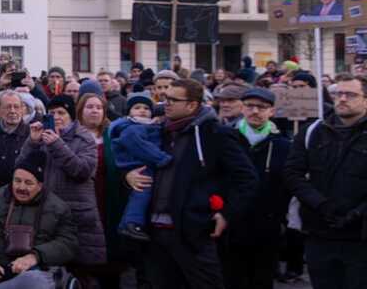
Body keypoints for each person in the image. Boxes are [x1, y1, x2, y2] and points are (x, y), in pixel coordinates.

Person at [126, 78, 258, 289]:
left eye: (173, 100)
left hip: (193, 234)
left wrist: (227, 213)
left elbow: (247, 179)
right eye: (164, 98)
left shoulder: (216, 134)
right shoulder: (158, 132)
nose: (165, 103)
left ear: (192, 105)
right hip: (155, 234)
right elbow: (137, 162)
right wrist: (129, 174)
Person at [284, 74, 367, 288]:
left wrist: (358, 212)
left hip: (360, 237)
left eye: (350, 94)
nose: (342, 99)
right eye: (339, 93)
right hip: (320, 232)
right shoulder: (312, 132)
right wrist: (320, 204)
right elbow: (293, 173)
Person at [17, 94, 107, 279]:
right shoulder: (41, 138)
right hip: (46, 213)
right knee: (52, 271)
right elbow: (20, 169)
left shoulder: (84, 139)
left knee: (81, 272)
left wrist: (57, 144)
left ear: (71, 116)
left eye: (61, 113)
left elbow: (83, 171)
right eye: (51, 113)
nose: (56, 117)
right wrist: (32, 142)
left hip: (77, 214)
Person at [0, 151, 79, 289]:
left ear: (40, 185)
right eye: (17, 181)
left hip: (35, 272)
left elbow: (68, 242)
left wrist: (35, 256)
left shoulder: (58, 208)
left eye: (28, 183)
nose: (21, 187)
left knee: (35, 282)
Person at [220, 87, 290, 289]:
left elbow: (287, 183)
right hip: (230, 223)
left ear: (272, 112)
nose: (255, 111)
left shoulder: (282, 144)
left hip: (266, 225)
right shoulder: (226, 138)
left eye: (262, 107)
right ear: (242, 108)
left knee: (262, 279)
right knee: (231, 278)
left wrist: (280, 215)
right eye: (250, 106)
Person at [107, 94, 170, 242]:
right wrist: (162, 158)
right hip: (137, 164)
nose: (142, 111)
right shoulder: (132, 127)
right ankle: (131, 223)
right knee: (143, 193)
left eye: (146, 108)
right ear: (129, 112)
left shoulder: (148, 125)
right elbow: (141, 146)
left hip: (144, 162)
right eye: (137, 108)